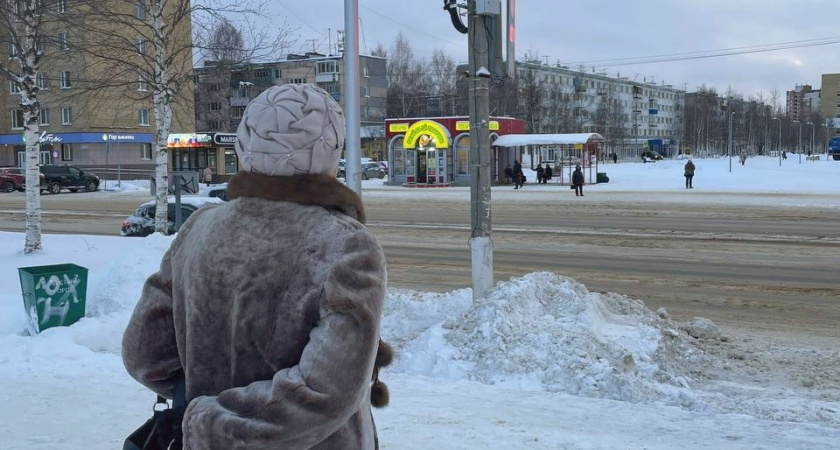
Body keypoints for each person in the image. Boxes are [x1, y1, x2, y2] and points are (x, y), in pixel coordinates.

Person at [122, 84, 392, 450]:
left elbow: (146, 355)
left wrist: (206, 400)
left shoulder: (198, 228)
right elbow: (328, 391)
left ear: (246, 144)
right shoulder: (345, 244)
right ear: (331, 148)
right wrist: (218, 424)